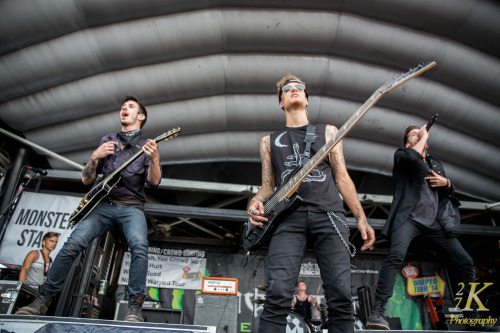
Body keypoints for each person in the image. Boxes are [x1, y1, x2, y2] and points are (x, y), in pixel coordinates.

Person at [247, 74, 375, 333]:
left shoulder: (327, 132)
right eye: (287, 89)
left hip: (329, 215)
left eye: (299, 88)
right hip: (286, 220)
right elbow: (268, 188)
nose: (294, 90)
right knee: (278, 293)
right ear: (281, 102)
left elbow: (342, 177)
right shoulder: (268, 142)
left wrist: (361, 216)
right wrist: (254, 202)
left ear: (306, 99)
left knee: (339, 294)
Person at [16, 95, 162, 322]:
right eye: (123, 107)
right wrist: (95, 156)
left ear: (140, 117)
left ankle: (134, 307)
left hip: (131, 207)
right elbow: (87, 180)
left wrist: (154, 160)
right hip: (101, 205)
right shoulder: (108, 139)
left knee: (140, 246)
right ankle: (43, 299)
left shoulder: (147, 146)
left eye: (130, 107)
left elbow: (154, 182)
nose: (124, 109)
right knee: (72, 244)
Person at [366, 125, 475, 330]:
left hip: (435, 222)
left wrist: (448, 183)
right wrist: (422, 137)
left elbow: (449, 192)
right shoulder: (403, 156)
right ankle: (378, 311)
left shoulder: (435, 163)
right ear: (408, 143)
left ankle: (470, 314)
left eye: (421, 133)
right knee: (396, 256)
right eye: (414, 135)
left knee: (465, 261)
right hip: (409, 218)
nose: (420, 135)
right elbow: (409, 159)